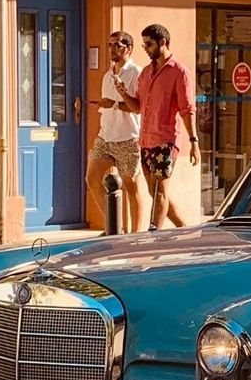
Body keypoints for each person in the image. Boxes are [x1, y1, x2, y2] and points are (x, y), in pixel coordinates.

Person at [136, 22, 198, 229]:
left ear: (163, 42)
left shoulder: (179, 72)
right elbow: (137, 105)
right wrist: (121, 95)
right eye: (144, 44)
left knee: (160, 190)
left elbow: (187, 109)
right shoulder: (145, 73)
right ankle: (184, 228)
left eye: (149, 44)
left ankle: (155, 233)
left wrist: (194, 141)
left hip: (166, 140)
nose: (145, 48)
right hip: (145, 140)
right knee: (153, 190)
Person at [85, 29, 142, 233]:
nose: (112, 49)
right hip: (106, 136)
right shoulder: (107, 76)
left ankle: (135, 234)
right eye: (110, 44)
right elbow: (107, 105)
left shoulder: (136, 73)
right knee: (91, 178)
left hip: (128, 137)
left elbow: (139, 107)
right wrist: (105, 105)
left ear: (128, 48)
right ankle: (114, 226)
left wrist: (117, 102)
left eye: (117, 44)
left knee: (131, 186)